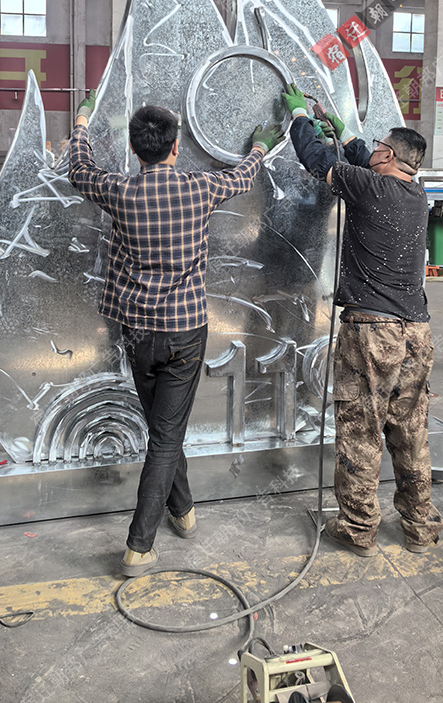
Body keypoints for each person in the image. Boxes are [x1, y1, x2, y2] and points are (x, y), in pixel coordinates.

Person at [68, 91, 284, 576]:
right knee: (166, 435)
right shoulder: (199, 188)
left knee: (164, 428)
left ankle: (183, 511)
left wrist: (82, 121)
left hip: (137, 330)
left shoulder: (119, 191)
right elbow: (243, 177)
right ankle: (138, 546)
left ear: (134, 148)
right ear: (175, 146)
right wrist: (259, 146)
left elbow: (78, 169)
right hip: (185, 330)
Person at [281, 82, 443, 556]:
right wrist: (343, 129)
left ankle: (358, 528)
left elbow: (317, 161)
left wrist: (299, 117)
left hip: (372, 332)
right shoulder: (416, 194)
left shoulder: (368, 186)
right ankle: (420, 527)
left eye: (377, 146)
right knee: (410, 432)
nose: (369, 150)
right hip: (417, 333)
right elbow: (361, 158)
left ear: (387, 155)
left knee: (360, 431)